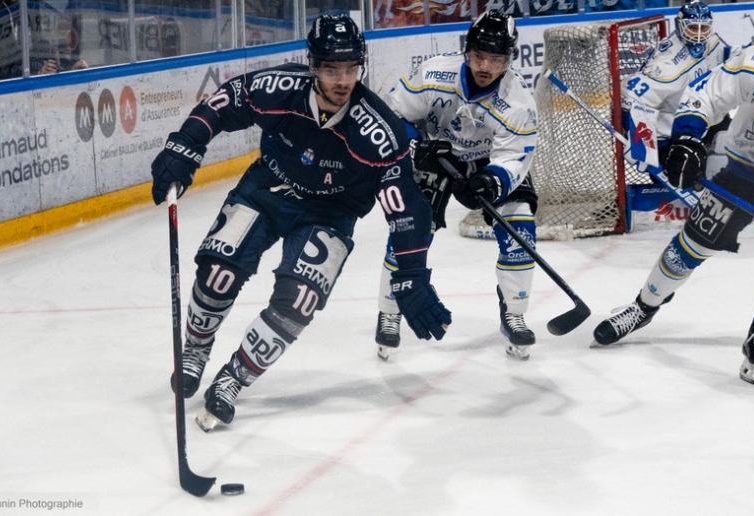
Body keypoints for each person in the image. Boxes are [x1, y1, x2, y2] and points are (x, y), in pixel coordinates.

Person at [149, 14, 452, 431]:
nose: (342, 80)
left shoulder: (378, 131)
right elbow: (227, 99)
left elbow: (406, 208)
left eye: (350, 68)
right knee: (218, 271)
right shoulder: (282, 88)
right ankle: (196, 349)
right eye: (331, 69)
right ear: (313, 66)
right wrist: (186, 143)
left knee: (300, 299)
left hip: (331, 211)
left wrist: (412, 273)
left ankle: (233, 379)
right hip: (268, 187)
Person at [592, 43, 754, 385]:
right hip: (745, 167)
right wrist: (687, 138)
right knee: (691, 247)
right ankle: (644, 306)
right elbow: (706, 93)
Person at [373, 10, 539, 361]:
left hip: (488, 162)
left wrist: (491, 181)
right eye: (478, 55)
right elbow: (391, 115)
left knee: (520, 225)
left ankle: (514, 313)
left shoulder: (518, 102)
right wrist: (416, 147)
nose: (485, 66)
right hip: (435, 156)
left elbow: (514, 157)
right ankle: (389, 312)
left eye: (495, 59)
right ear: (467, 50)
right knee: (409, 231)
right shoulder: (434, 73)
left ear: (509, 59)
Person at [621, 0, 729, 171]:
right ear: (680, 25)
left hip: (703, 122)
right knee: (685, 175)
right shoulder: (667, 66)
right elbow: (630, 98)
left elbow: (726, 57)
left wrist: (749, 51)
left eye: (703, 28)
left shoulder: (712, 43)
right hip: (670, 138)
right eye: (692, 28)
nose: (699, 35)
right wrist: (637, 141)